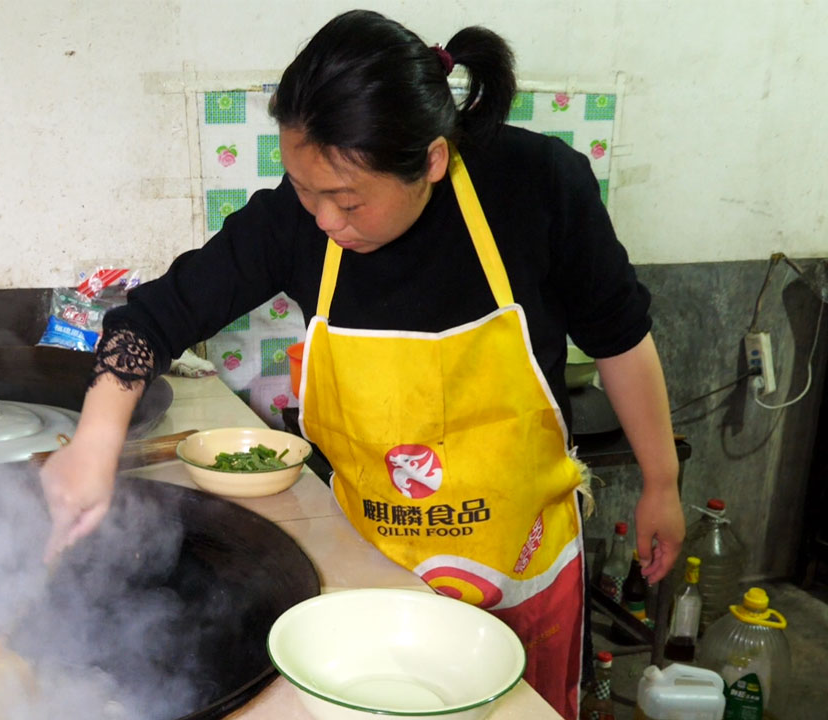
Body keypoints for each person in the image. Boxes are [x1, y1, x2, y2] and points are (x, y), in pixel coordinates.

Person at [41, 10, 684, 719]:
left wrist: (661, 480)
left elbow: (621, 336)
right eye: (304, 188)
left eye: (346, 201)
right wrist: (94, 445)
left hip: (525, 566)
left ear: (432, 162)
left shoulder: (540, 187)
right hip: (375, 571)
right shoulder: (298, 218)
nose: (319, 219)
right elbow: (151, 320)